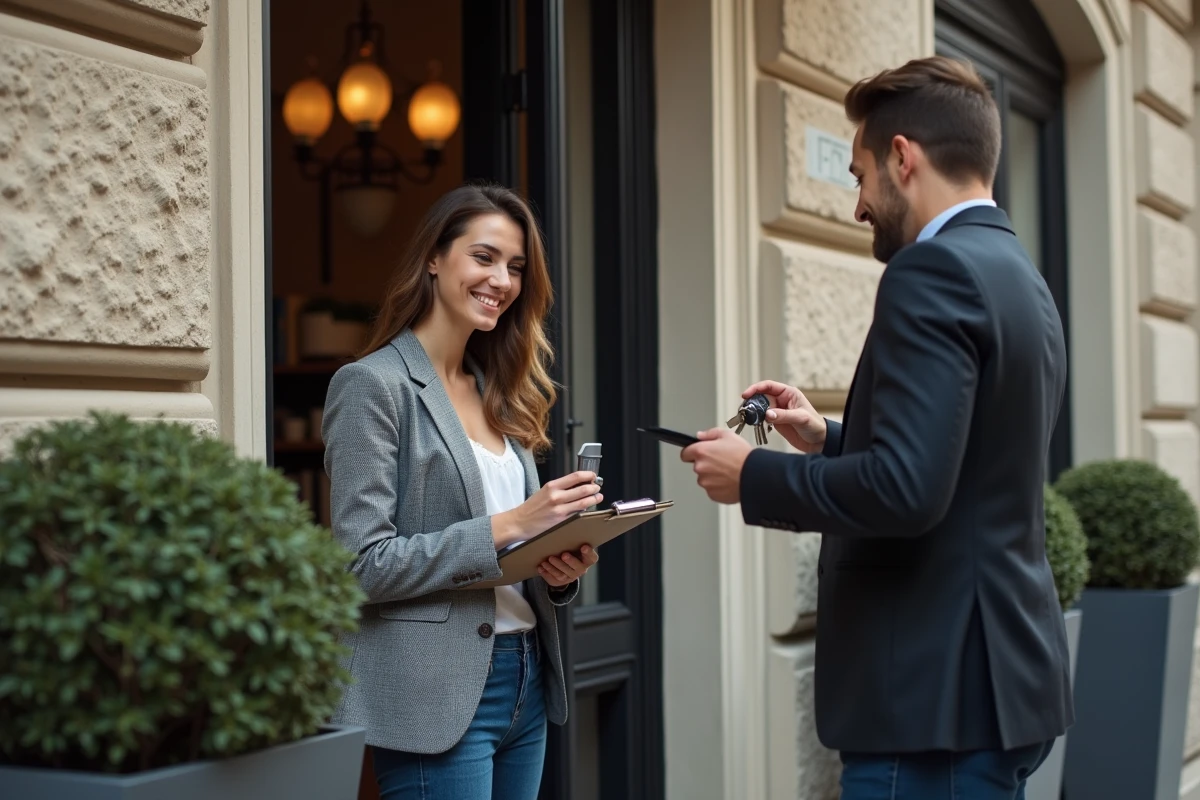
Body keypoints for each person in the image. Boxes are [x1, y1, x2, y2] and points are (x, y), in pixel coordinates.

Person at [680, 56, 1072, 799]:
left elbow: (906, 492)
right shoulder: (1020, 274)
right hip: (995, 687)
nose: (858, 205)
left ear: (903, 158)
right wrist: (830, 436)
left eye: (858, 176)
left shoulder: (931, 272)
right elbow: (973, 458)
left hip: (931, 705)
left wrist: (751, 475)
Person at [322, 183, 601, 800]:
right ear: (433, 258)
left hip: (526, 672)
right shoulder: (373, 386)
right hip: (433, 693)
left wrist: (556, 567)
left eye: (516, 267)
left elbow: (512, 554)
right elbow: (359, 564)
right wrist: (515, 524)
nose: (501, 279)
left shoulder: (501, 389)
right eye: (484, 257)